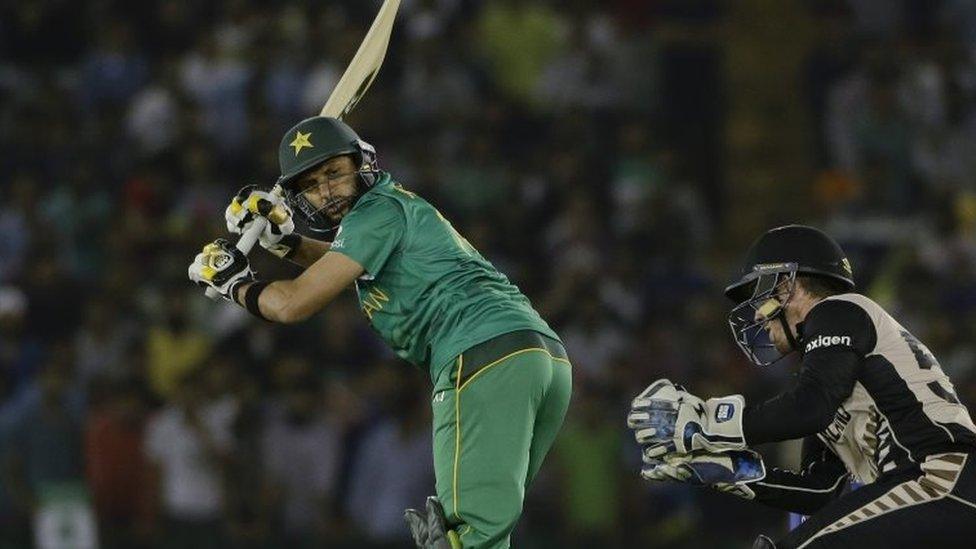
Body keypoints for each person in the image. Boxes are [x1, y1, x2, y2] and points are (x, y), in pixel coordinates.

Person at [187, 116, 573, 549]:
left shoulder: (374, 212)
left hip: (480, 357)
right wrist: (281, 241)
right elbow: (341, 264)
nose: (326, 190)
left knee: (465, 538)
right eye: (312, 185)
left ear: (362, 163)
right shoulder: (385, 214)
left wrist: (233, 285)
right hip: (537, 358)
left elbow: (293, 304)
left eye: (334, 172)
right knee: (487, 531)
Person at [626, 225, 976, 548]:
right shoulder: (828, 370)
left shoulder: (839, 310)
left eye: (760, 293)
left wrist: (707, 422)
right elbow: (821, 490)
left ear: (787, 286)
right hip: (931, 494)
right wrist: (729, 471)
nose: (759, 314)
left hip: (939, 478)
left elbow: (807, 408)